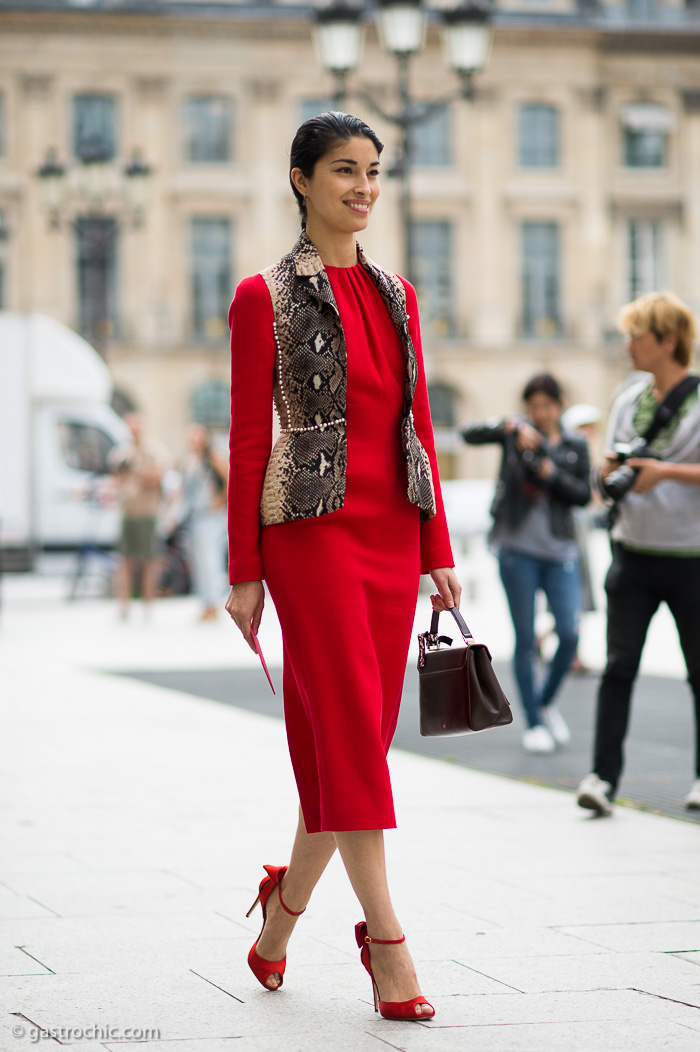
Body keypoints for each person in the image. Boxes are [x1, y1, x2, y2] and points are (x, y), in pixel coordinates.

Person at [224, 112, 459, 1021]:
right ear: (300, 180)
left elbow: (420, 427)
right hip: (310, 537)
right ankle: (388, 945)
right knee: (355, 734)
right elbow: (251, 440)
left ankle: (282, 914)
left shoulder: (398, 294)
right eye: (342, 172)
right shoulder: (264, 296)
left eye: (372, 172)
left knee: (349, 743)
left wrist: (437, 548)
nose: (362, 188)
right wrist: (246, 570)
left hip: (392, 534)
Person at [576, 292, 700, 816]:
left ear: (667, 341)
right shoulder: (629, 398)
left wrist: (664, 473)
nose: (626, 345)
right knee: (619, 667)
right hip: (631, 552)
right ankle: (602, 779)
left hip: (690, 556)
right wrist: (608, 473)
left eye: (636, 336)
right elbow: (608, 476)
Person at [462, 374, 591, 753]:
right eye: (533, 406)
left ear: (559, 404)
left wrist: (552, 475)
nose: (541, 413)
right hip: (516, 549)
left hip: (560, 550)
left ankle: (545, 702)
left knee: (569, 632)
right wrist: (510, 426)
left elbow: (584, 495)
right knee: (525, 637)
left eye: (547, 405)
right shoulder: (515, 433)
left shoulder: (575, 444)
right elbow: (469, 434)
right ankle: (533, 721)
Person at [109, 412, 166, 619]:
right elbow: (115, 478)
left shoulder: (153, 450)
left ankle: (148, 604)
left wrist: (136, 472)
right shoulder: (121, 452)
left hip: (147, 511)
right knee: (124, 560)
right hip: (128, 512)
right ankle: (123, 605)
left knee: (149, 560)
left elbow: (159, 476)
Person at [179, 423, 229, 621]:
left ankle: (213, 602)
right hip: (195, 515)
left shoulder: (213, 457)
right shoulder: (190, 460)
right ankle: (205, 602)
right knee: (198, 560)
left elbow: (228, 478)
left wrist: (221, 500)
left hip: (210, 516)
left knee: (210, 559)